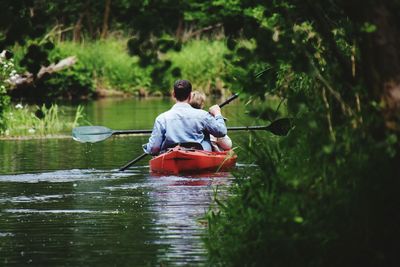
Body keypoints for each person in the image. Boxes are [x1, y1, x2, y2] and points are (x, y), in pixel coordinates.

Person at [142, 80, 227, 155]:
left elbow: (154, 149)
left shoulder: (161, 118)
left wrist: (147, 148)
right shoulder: (203, 115)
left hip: (170, 156)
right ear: (190, 95)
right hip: (198, 156)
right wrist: (217, 113)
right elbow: (221, 131)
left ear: (173, 94)